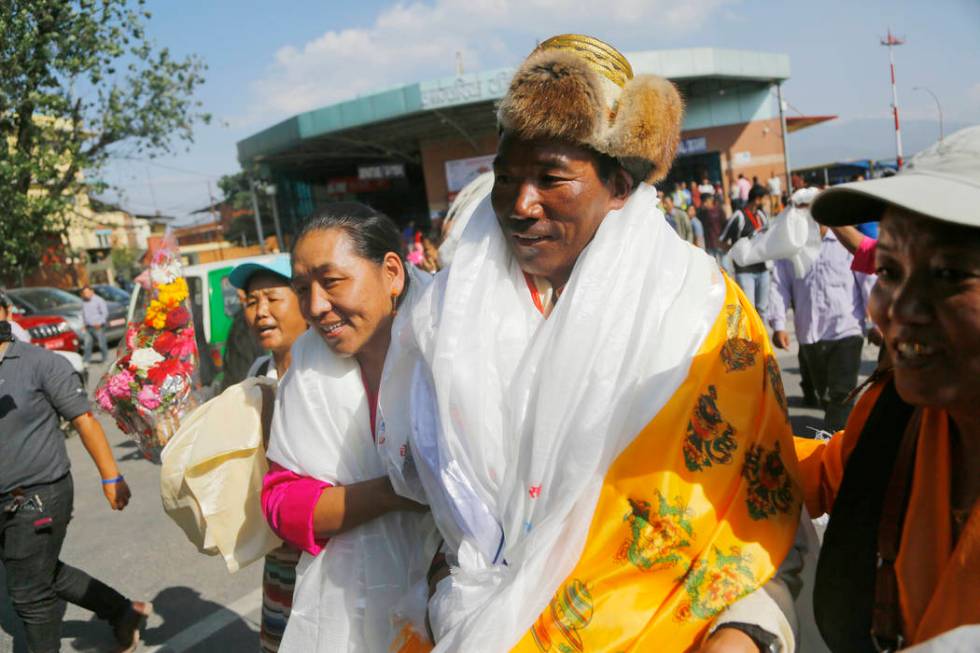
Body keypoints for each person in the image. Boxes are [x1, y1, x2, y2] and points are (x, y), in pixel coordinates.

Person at [385, 34, 802, 653]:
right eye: (506, 178)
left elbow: (754, 518)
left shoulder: (702, 314)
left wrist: (745, 633)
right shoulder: (446, 318)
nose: (522, 205)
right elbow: (442, 513)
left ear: (621, 183)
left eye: (553, 178)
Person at [795, 126, 980, 651]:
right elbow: (818, 474)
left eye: (948, 274)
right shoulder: (893, 414)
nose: (899, 309)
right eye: (890, 271)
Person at [260, 203, 436, 652]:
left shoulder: (449, 342)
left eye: (331, 281)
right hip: (353, 612)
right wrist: (390, 493)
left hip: (464, 590)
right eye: (302, 289)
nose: (316, 306)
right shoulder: (307, 367)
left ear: (391, 273)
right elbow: (282, 502)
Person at [0, 321, 149, 653]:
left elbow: (84, 420)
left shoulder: (40, 363)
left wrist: (111, 477)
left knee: (29, 595)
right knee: (41, 572)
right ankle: (122, 612)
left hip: (38, 494)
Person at [227, 256, 309, 653]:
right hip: (280, 548)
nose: (260, 312)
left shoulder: (330, 369)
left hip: (328, 546)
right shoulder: (259, 369)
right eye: (251, 301)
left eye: (273, 298)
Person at [769, 210, 874, 432]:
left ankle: (835, 445)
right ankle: (837, 431)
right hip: (810, 333)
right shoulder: (791, 249)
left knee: (841, 392)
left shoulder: (845, 242)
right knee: (825, 394)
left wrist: (876, 323)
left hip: (847, 329)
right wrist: (779, 325)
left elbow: (868, 281)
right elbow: (779, 285)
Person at [721, 184, 771, 320]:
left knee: (763, 309)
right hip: (745, 272)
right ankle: (750, 341)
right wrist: (735, 254)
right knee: (749, 310)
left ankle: (762, 339)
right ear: (757, 199)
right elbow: (722, 240)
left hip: (763, 269)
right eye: (765, 199)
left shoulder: (762, 215)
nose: (766, 202)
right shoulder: (739, 216)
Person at [80, 285, 109, 364]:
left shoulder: (99, 300)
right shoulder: (83, 301)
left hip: (98, 326)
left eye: (88, 292)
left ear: (92, 292)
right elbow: (83, 314)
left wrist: (99, 323)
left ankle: (105, 359)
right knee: (87, 344)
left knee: (101, 344)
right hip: (88, 326)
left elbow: (105, 313)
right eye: (84, 293)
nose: (86, 294)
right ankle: (86, 361)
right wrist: (83, 324)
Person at [698, 194, 727, 265]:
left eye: (706, 201)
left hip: (719, 243)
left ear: (710, 201)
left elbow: (725, 225)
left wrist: (724, 241)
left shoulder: (719, 211)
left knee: (723, 266)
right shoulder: (701, 213)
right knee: (713, 267)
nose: (704, 204)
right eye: (703, 202)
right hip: (709, 244)